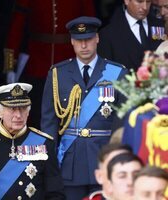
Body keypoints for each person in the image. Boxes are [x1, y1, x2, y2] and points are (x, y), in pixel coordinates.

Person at [41, 16, 128, 200]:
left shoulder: (117, 72)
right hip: (70, 162)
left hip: (104, 157)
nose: (84, 45)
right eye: (79, 41)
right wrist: (50, 164)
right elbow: (48, 123)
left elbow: (124, 119)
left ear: (97, 38)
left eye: (88, 39)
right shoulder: (58, 74)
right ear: (72, 41)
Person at [3, 0, 96, 129]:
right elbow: (16, 26)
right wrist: (10, 65)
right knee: (37, 116)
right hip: (38, 62)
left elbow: (90, 24)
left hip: (71, 60)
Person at [0, 83, 65, 199]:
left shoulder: (44, 143)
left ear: (28, 112)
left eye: (23, 109)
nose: (18, 115)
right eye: (12, 109)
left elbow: (55, 193)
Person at [98, 0, 166, 71]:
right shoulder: (108, 34)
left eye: (148, 2)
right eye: (139, 2)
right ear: (127, 1)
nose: (145, 7)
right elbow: (107, 71)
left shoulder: (159, 24)